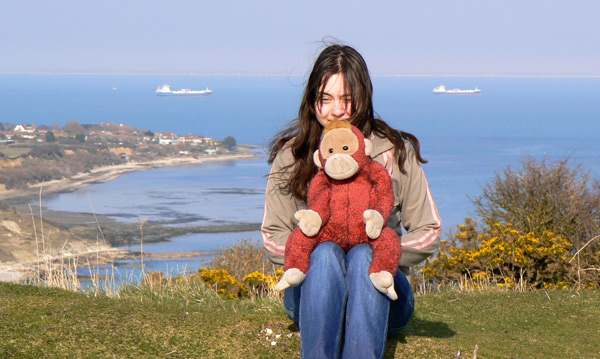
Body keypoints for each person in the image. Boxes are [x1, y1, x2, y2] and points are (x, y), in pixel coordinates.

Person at [261, 43, 441, 359]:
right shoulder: (292, 157)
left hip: (385, 294)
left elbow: (428, 229)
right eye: (326, 98)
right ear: (312, 100)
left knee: (361, 255)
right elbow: (272, 236)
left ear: (364, 96)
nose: (337, 110)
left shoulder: (393, 153)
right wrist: (308, 255)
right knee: (327, 253)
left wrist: (383, 257)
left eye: (347, 98)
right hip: (310, 295)